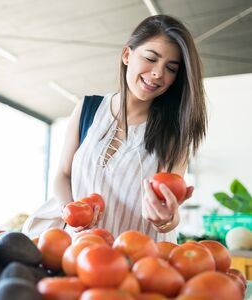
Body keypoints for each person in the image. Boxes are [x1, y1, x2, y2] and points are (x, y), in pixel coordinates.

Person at [54, 14, 207, 242]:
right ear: (127, 55)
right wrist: (71, 211)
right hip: (81, 255)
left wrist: (166, 219)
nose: (158, 73)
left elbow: (169, 214)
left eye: (171, 68)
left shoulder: (175, 133)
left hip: (140, 262)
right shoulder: (88, 109)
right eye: (151, 58)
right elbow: (62, 175)